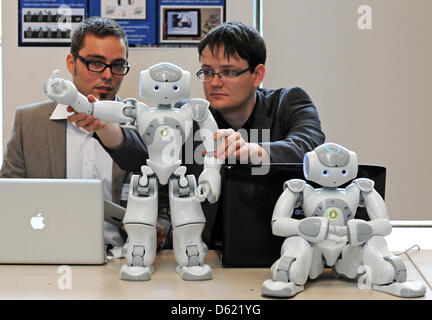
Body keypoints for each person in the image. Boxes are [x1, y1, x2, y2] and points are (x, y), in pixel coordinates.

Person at [66, 21, 326, 248]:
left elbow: (308, 146)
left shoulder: (288, 102)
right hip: (206, 249)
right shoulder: (189, 116)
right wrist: (103, 127)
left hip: (275, 246)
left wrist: (253, 150)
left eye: (228, 72)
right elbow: (142, 155)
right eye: (208, 72)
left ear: (257, 74)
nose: (214, 82)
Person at [0, 16, 131, 248]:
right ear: (71, 63)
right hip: (47, 256)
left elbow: (164, 205)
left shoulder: (141, 123)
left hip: (123, 262)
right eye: (96, 63)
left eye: (118, 65)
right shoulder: (28, 124)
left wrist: (159, 228)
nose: (108, 75)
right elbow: (7, 201)